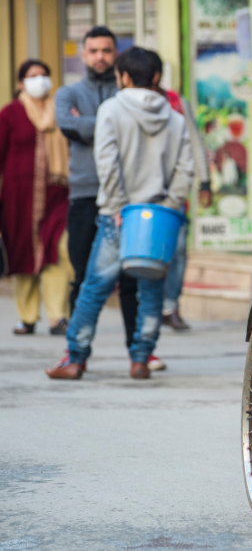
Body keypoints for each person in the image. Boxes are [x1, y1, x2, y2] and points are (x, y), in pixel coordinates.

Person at [46, 47, 194, 380]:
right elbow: (185, 170)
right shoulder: (175, 118)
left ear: (123, 77)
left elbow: (107, 163)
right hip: (159, 215)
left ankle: (76, 358)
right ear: (156, 77)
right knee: (151, 288)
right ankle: (141, 359)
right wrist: (169, 206)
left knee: (94, 287)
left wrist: (116, 206)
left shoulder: (110, 109)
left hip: (118, 216)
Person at [55, 26, 141, 345]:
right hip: (85, 194)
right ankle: (75, 349)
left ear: (115, 53)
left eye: (106, 50)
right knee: (82, 275)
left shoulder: (127, 92)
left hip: (126, 196)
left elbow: (133, 125)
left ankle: (137, 351)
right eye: (93, 51)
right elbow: (67, 123)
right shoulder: (69, 93)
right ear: (83, 54)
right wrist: (115, 122)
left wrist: (88, 123)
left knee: (131, 279)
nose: (100, 57)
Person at [0, 60, 73, 335]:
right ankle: (27, 317)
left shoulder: (62, 112)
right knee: (23, 255)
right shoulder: (10, 114)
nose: (40, 80)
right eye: (33, 76)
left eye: (44, 75)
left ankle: (58, 317)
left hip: (58, 194)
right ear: (21, 83)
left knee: (57, 250)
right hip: (18, 200)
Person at [149, 53, 212, 335]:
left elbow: (195, 144)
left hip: (176, 193)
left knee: (177, 252)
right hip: (140, 194)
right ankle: (149, 308)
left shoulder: (177, 102)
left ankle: (170, 307)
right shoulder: (124, 104)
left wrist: (205, 182)